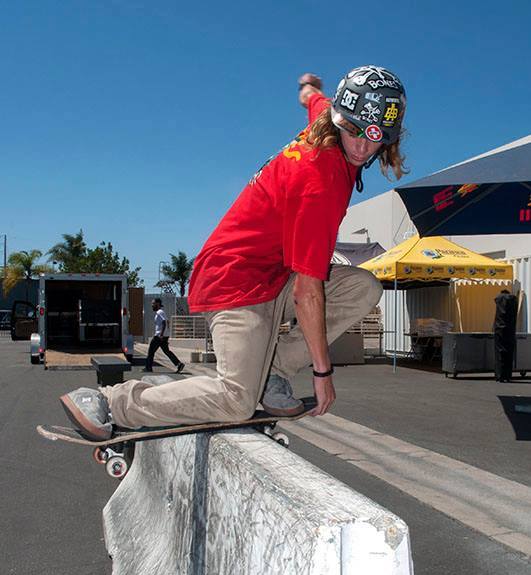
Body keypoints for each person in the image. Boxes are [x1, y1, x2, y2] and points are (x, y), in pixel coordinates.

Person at [59, 66, 408, 441]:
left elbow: (314, 101)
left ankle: (273, 370)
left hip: (273, 276)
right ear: (340, 121)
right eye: (353, 131)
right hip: (234, 281)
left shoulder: (327, 117)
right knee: (236, 399)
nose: (360, 147)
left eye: (373, 138)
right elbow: (307, 293)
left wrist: (308, 88)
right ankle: (109, 401)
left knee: (363, 287)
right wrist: (323, 373)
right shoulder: (319, 182)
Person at [143, 298, 185, 374]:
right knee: (166, 351)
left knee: (151, 351)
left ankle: (148, 368)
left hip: (159, 336)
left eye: (153, 303)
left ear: (158, 304)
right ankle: (179, 364)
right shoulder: (161, 312)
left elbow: (164, 322)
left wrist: (161, 334)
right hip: (163, 336)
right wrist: (166, 333)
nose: (152, 305)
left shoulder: (160, 312)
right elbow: (167, 322)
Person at [494, 289, 518, 382]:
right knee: (509, 352)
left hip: (499, 328)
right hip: (511, 329)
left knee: (499, 352)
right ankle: (508, 376)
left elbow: (496, 300)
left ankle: (499, 375)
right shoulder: (513, 299)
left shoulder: (498, 298)